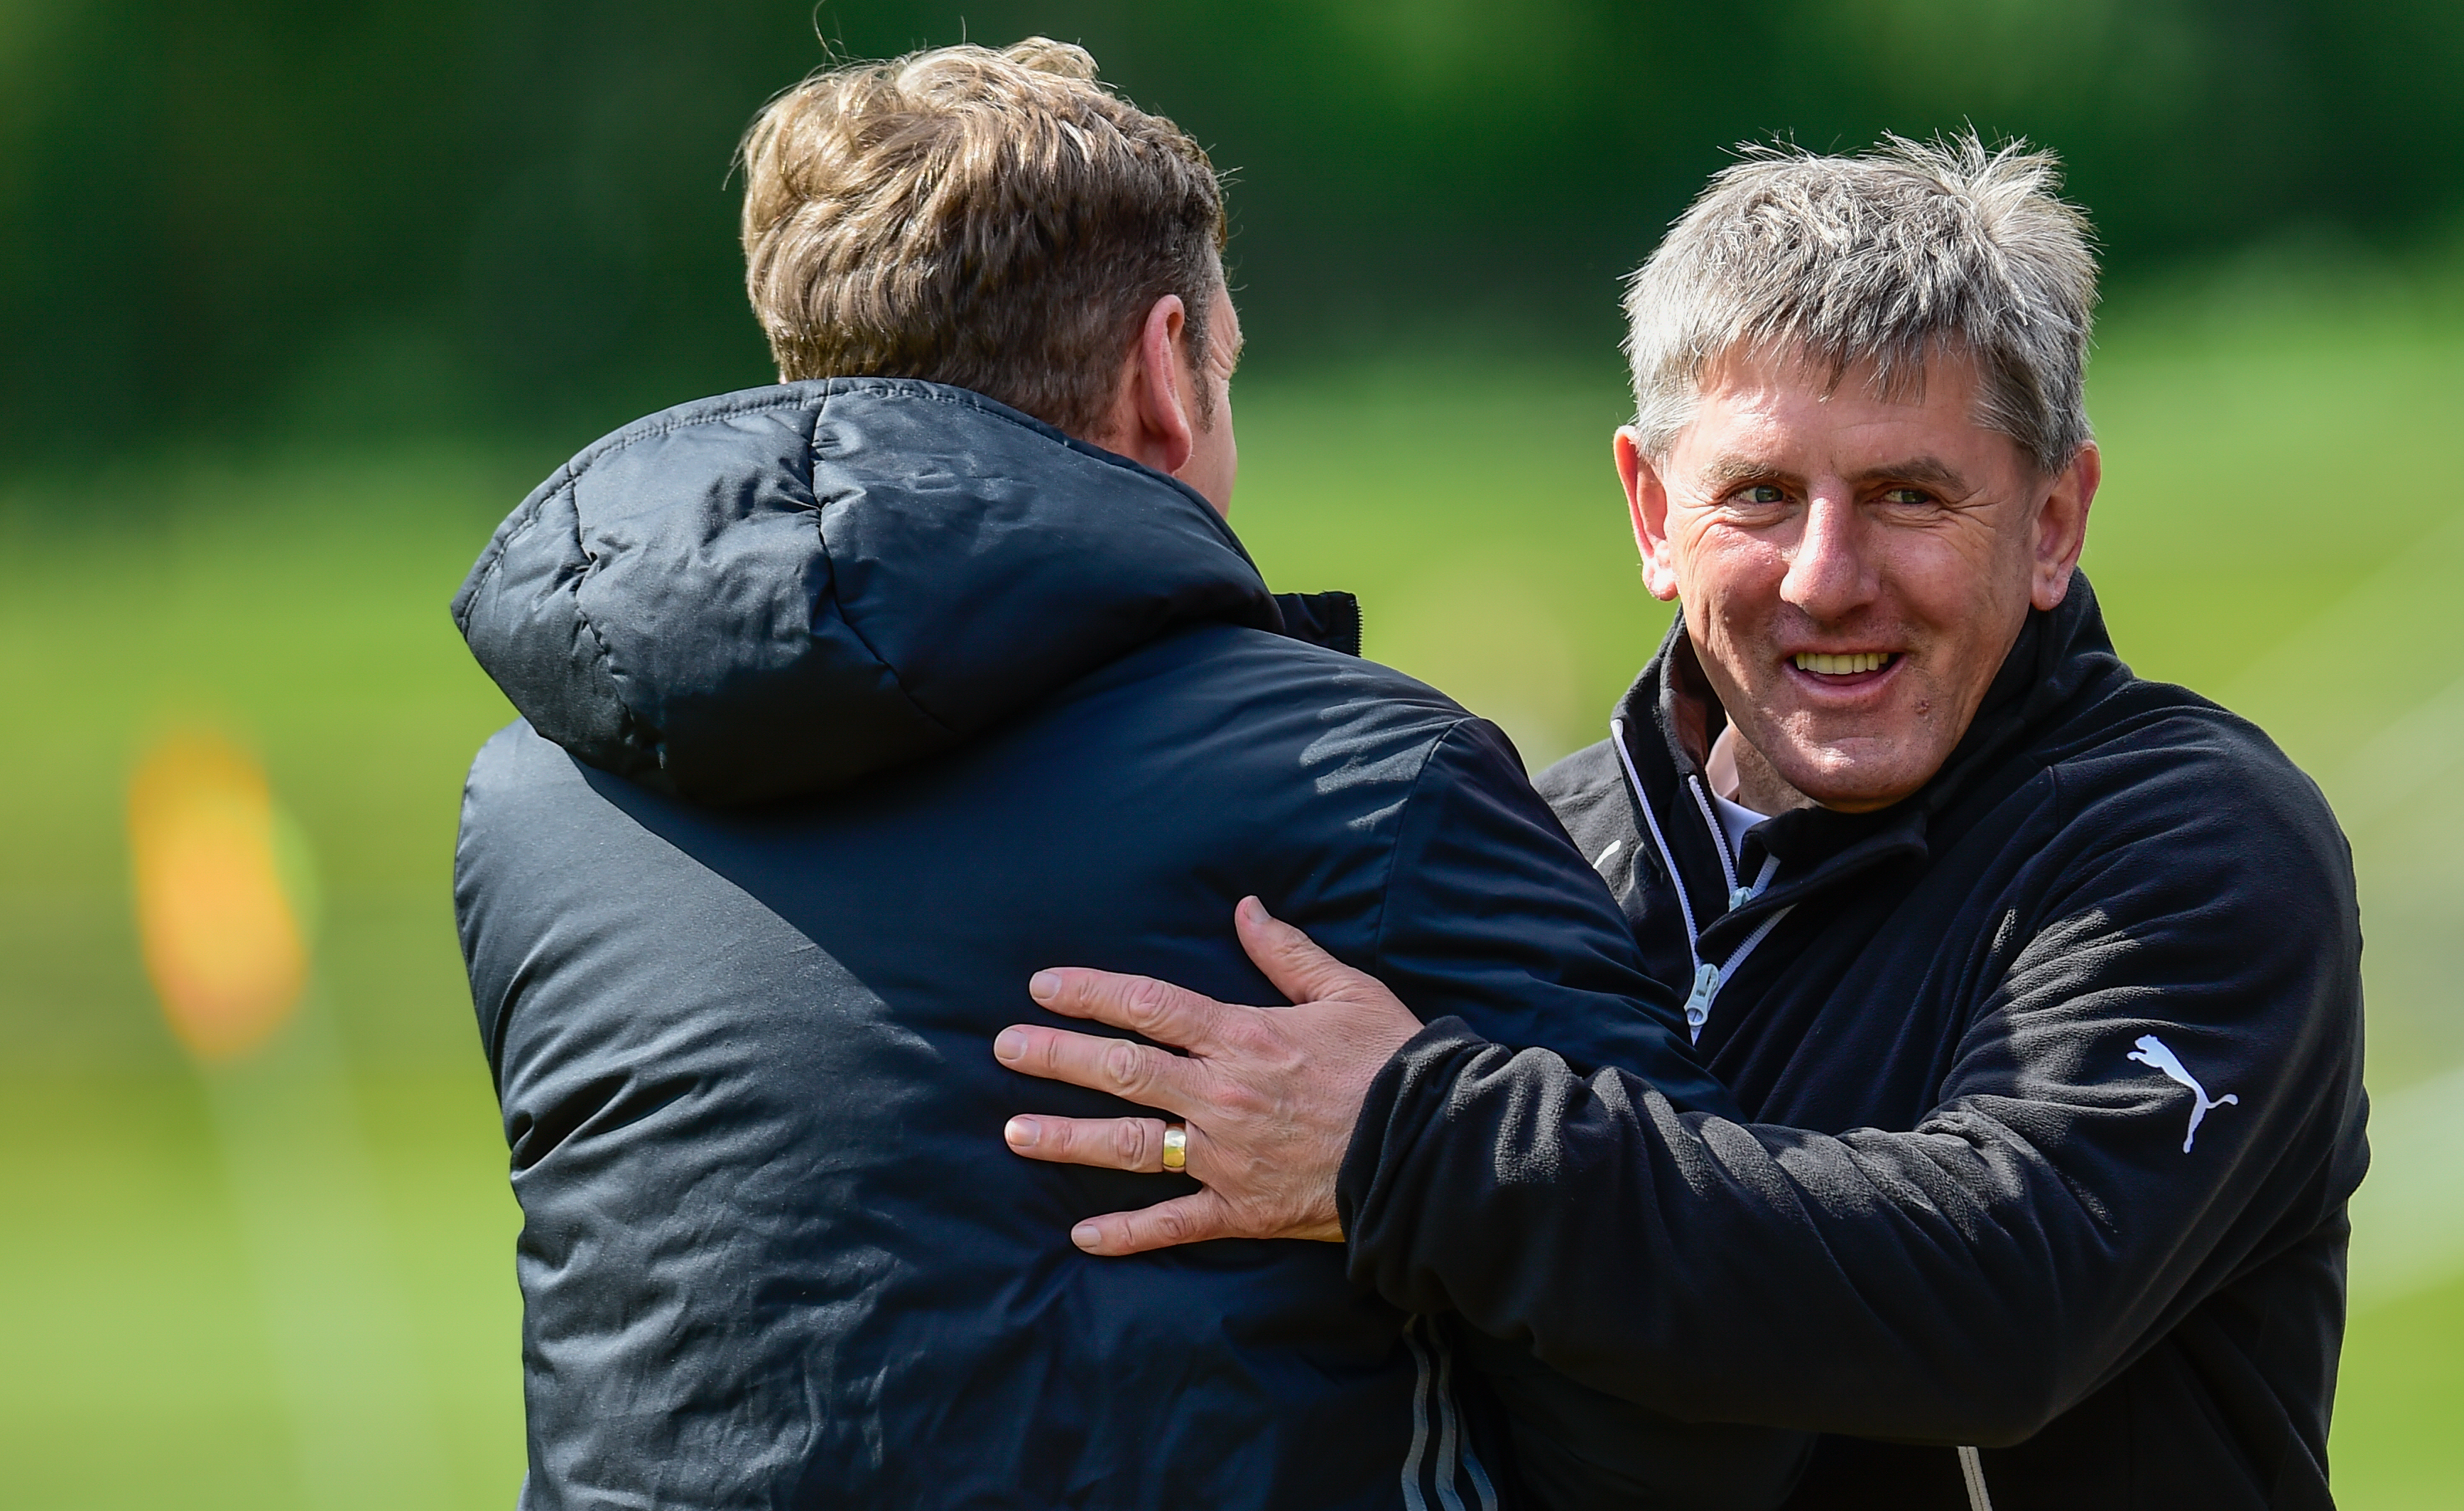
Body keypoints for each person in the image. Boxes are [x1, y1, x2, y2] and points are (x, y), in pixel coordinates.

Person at [450, 38, 1803, 1511]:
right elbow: (1703, 1405)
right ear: (1166, 372)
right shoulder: (1362, 780)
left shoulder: (533, 807)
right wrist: (1424, 1147)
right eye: (1227, 367)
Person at [994, 137, 2370, 1509]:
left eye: (1907, 495)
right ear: (1651, 512)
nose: (1825, 578)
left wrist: (1405, 1145)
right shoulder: (1526, 842)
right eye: (1760, 495)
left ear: (2052, 519)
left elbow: (2003, 1296)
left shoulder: (2185, 840)